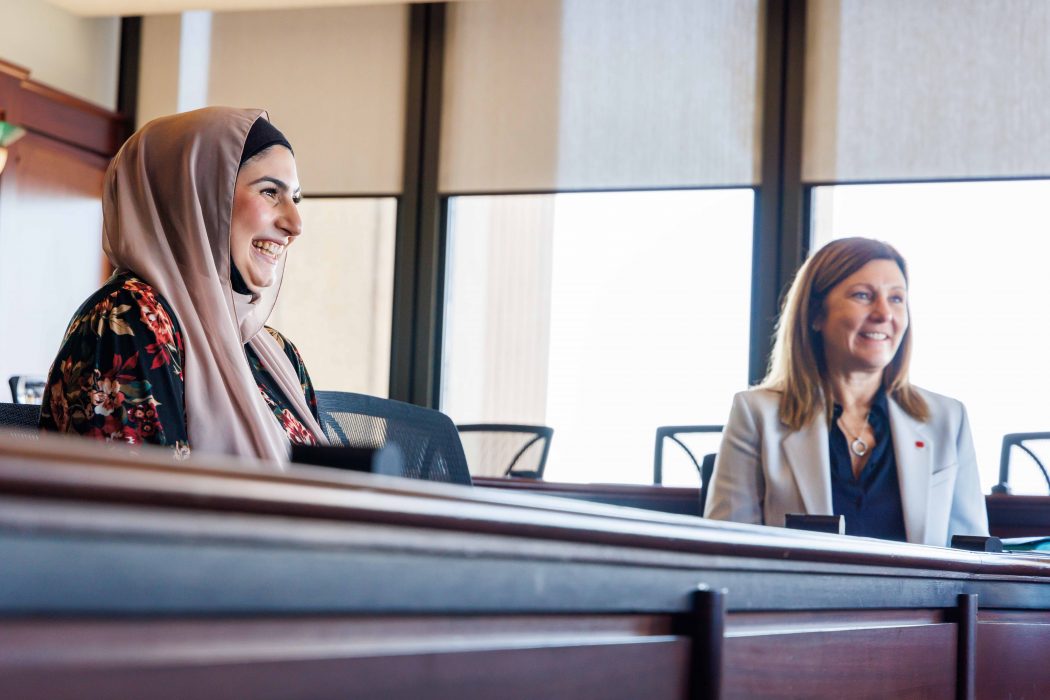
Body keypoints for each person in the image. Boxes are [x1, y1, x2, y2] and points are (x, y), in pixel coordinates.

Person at [39, 107, 327, 462]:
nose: (295, 224)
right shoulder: (127, 321)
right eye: (270, 192)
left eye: (295, 198)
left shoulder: (277, 354)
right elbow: (135, 507)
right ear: (198, 196)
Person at [704, 237, 987, 546]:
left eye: (896, 298)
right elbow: (727, 550)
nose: (884, 313)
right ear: (815, 314)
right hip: (800, 596)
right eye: (863, 295)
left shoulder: (947, 418)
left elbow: (972, 556)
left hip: (922, 597)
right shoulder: (756, 413)